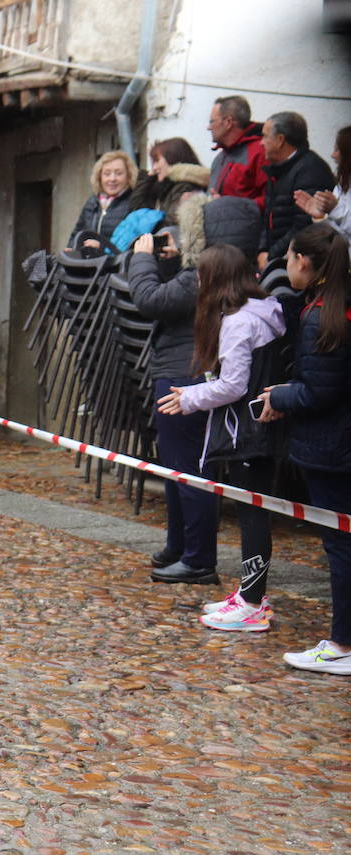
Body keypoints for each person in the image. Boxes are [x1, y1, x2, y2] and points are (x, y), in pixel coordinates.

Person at [128, 190, 263, 584]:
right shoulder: (225, 275)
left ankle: (198, 558)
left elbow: (150, 299)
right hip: (182, 371)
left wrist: (141, 258)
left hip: (184, 377)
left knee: (190, 468)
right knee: (177, 467)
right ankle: (180, 546)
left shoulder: (203, 277)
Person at [156, 244, 285, 630]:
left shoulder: (238, 322)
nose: (197, 283)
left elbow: (233, 385)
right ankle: (250, 593)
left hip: (248, 429)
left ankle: (252, 603)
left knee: (252, 512)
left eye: (201, 276)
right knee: (252, 510)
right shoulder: (267, 308)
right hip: (262, 422)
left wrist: (191, 398)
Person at [256, 223, 351, 674]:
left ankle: (342, 645)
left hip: (334, 449)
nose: (286, 266)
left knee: (341, 544)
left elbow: (320, 393)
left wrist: (279, 398)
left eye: (289, 257)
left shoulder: (321, 317)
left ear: (304, 263)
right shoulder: (335, 307)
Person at [258, 111, 335, 269]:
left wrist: (271, 256)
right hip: (276, 260)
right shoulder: (279, 169)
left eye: (265, 136)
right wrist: (262, 250)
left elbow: (304, 225)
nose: (261, 142)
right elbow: (268, 215)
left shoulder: (311, 171)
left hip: (297, 265)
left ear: (280, 140)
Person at [208, 95, 269, 207]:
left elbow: (270, 200)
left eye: (212, 121)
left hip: (247, 223)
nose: (208, 127)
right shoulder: (220, 157)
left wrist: (229, 206)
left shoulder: (259, 153)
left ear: (228, 122)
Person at [294, 124, 351, 241]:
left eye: (337, 150)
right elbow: (338, 235)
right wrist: (320, 217)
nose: (333, 155)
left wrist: (336, 209)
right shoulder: (344, 181)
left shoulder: (312, 166)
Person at [70, 151, 136, 248]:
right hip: (88, 261)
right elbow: (77, 233)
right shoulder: (92, 202)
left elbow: (131, 242)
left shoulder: (133, 203)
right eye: (107, 173)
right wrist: (70, 249)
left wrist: (103, 247)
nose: (112, 179)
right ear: (99, 176)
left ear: (128, 176)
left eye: (119, 173)